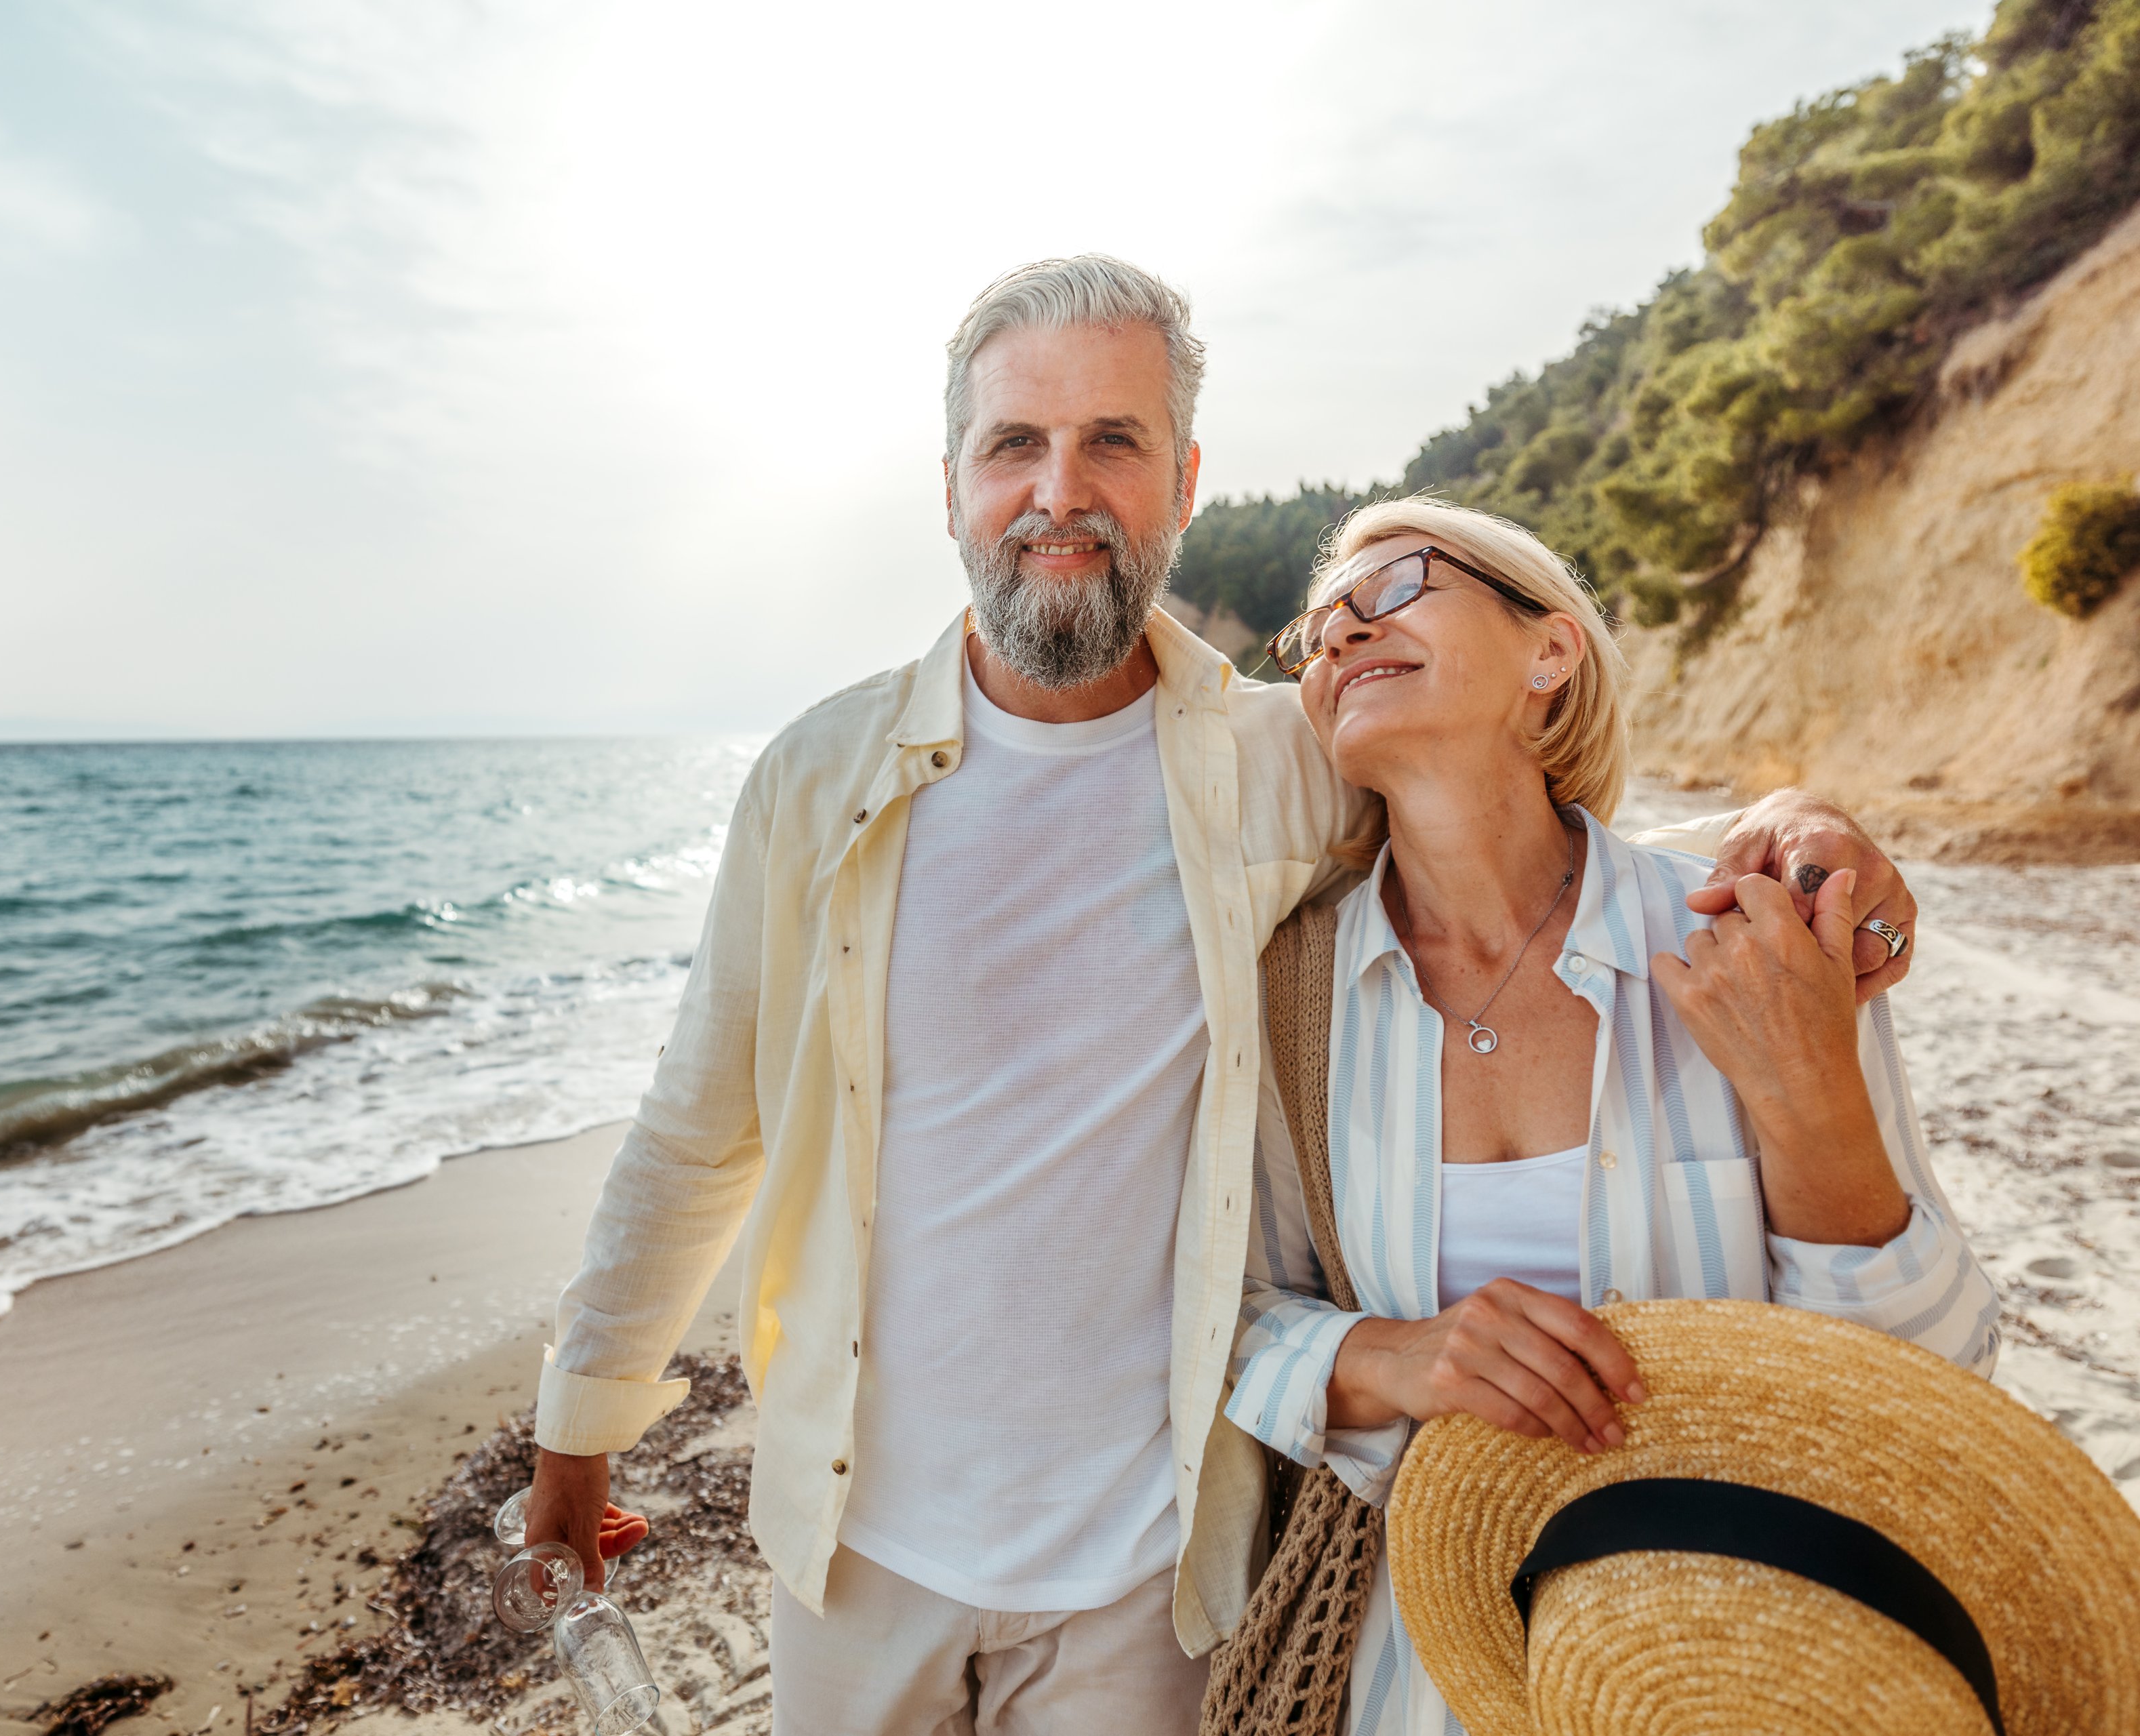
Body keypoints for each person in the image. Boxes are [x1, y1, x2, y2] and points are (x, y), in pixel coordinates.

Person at [521, 255, 1920, 1735]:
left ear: (1181, 481)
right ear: (951, 489)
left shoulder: (1282, 759)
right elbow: (699, 1125)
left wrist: (1788, 841)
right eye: (1015, 445)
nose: (1061, 490)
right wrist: (581, 1425)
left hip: (1152, 1569)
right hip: (857, 1547)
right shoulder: (816, 781)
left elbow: (1511, 826)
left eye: (1111, 443)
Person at [1226, 496, 1995, 1735]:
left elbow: (1930, 1367)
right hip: (1415, 1664)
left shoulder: (1743, 935)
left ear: (1552, 653)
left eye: (1400, 581)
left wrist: (1811, 1100)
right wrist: (1391, 1356)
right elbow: (1235, 1320)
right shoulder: (1291, 996)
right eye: (1317, 629)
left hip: (1738, 1657)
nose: (1343, 630)